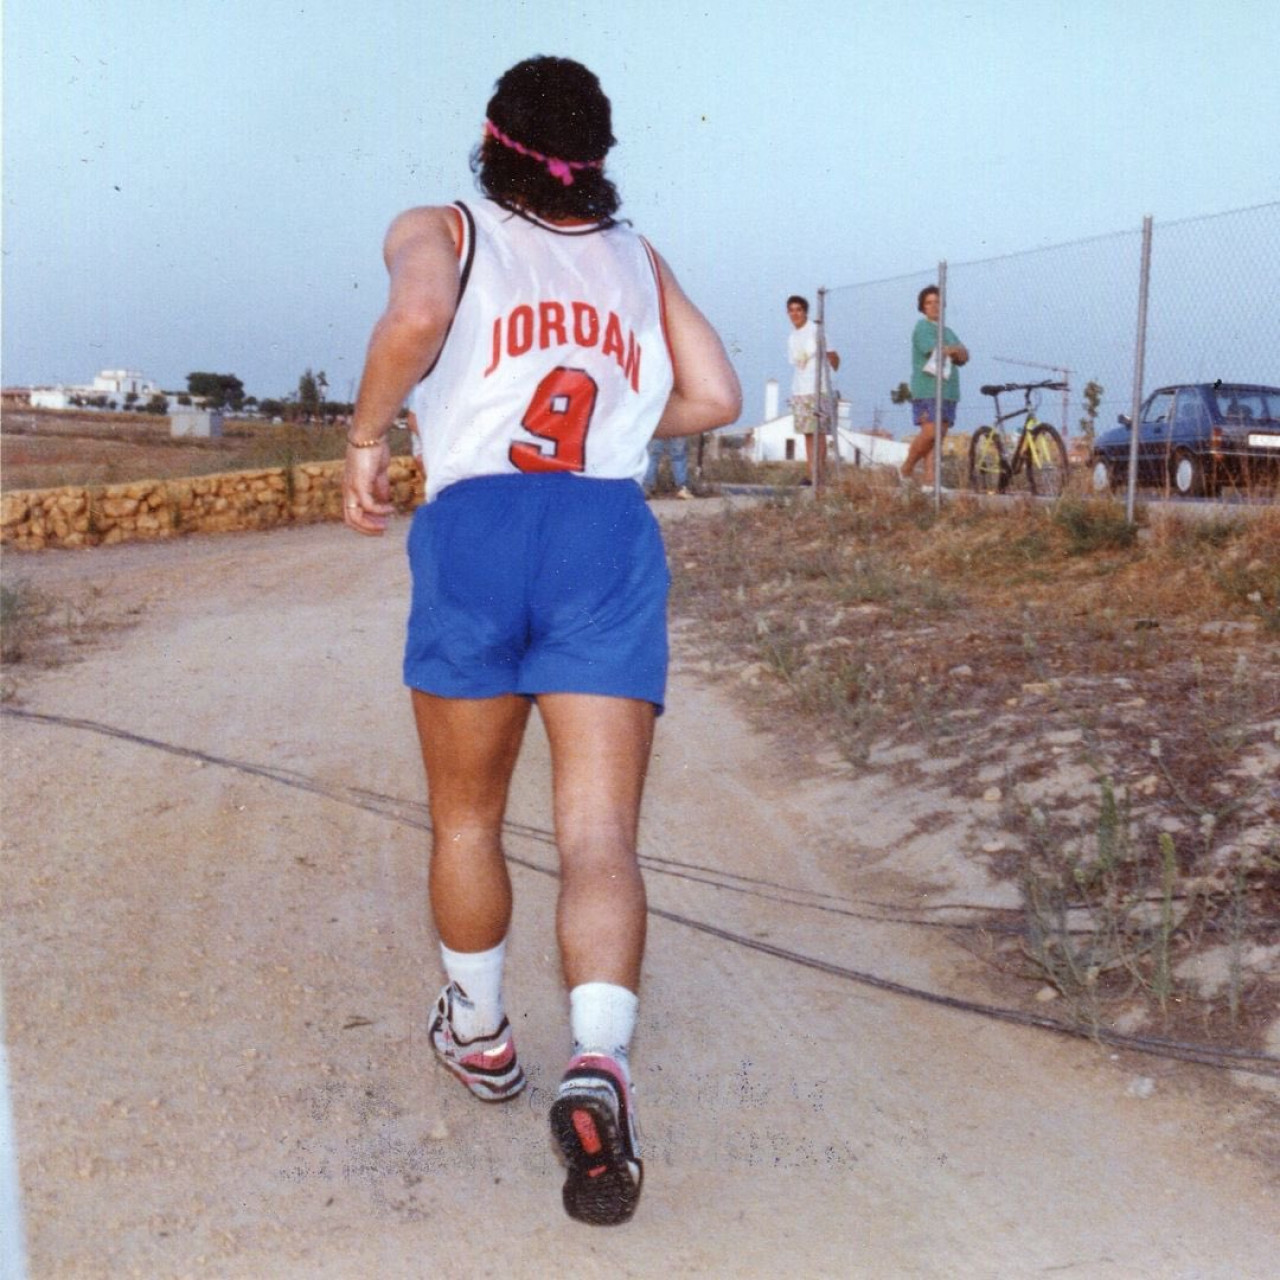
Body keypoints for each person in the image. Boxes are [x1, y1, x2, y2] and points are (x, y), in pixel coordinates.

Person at [342, 56, 741, 1227]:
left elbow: (416, 315)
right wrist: (620, 414)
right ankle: (599, 1060)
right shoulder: (635, 256)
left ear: (490, 138)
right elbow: (713, 391)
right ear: (599, 159)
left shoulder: (444, 228)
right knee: (598, 831)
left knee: (467, 815)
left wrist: (368, 435)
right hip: (600, 531)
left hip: (473, 525)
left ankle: (479, 1032)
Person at [901, 284, 968, 483]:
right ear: (922, 307)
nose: (934, 306)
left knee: (938, 437)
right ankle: (906, 468)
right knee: (930, 432)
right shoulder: (922, 327)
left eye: (938, 302)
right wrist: (953, 350)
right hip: (927, 388)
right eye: (929, 303)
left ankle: (930, 481)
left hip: (949, 390)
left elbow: (963, 355)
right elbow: (932, 350)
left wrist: (955, 350)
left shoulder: (949, 332)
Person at [786, 295, 840, 479]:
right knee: (808, 433)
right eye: (791, 310)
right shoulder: (792, 337)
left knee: (819, 432)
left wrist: (829, 378)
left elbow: (834, 357)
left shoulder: (816, 331)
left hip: (820, 389)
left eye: (798, 310)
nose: (795, 314)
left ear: (805, 311)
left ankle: (819, 475)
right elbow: (797, 362)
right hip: (801, 390)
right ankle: (811, 474)